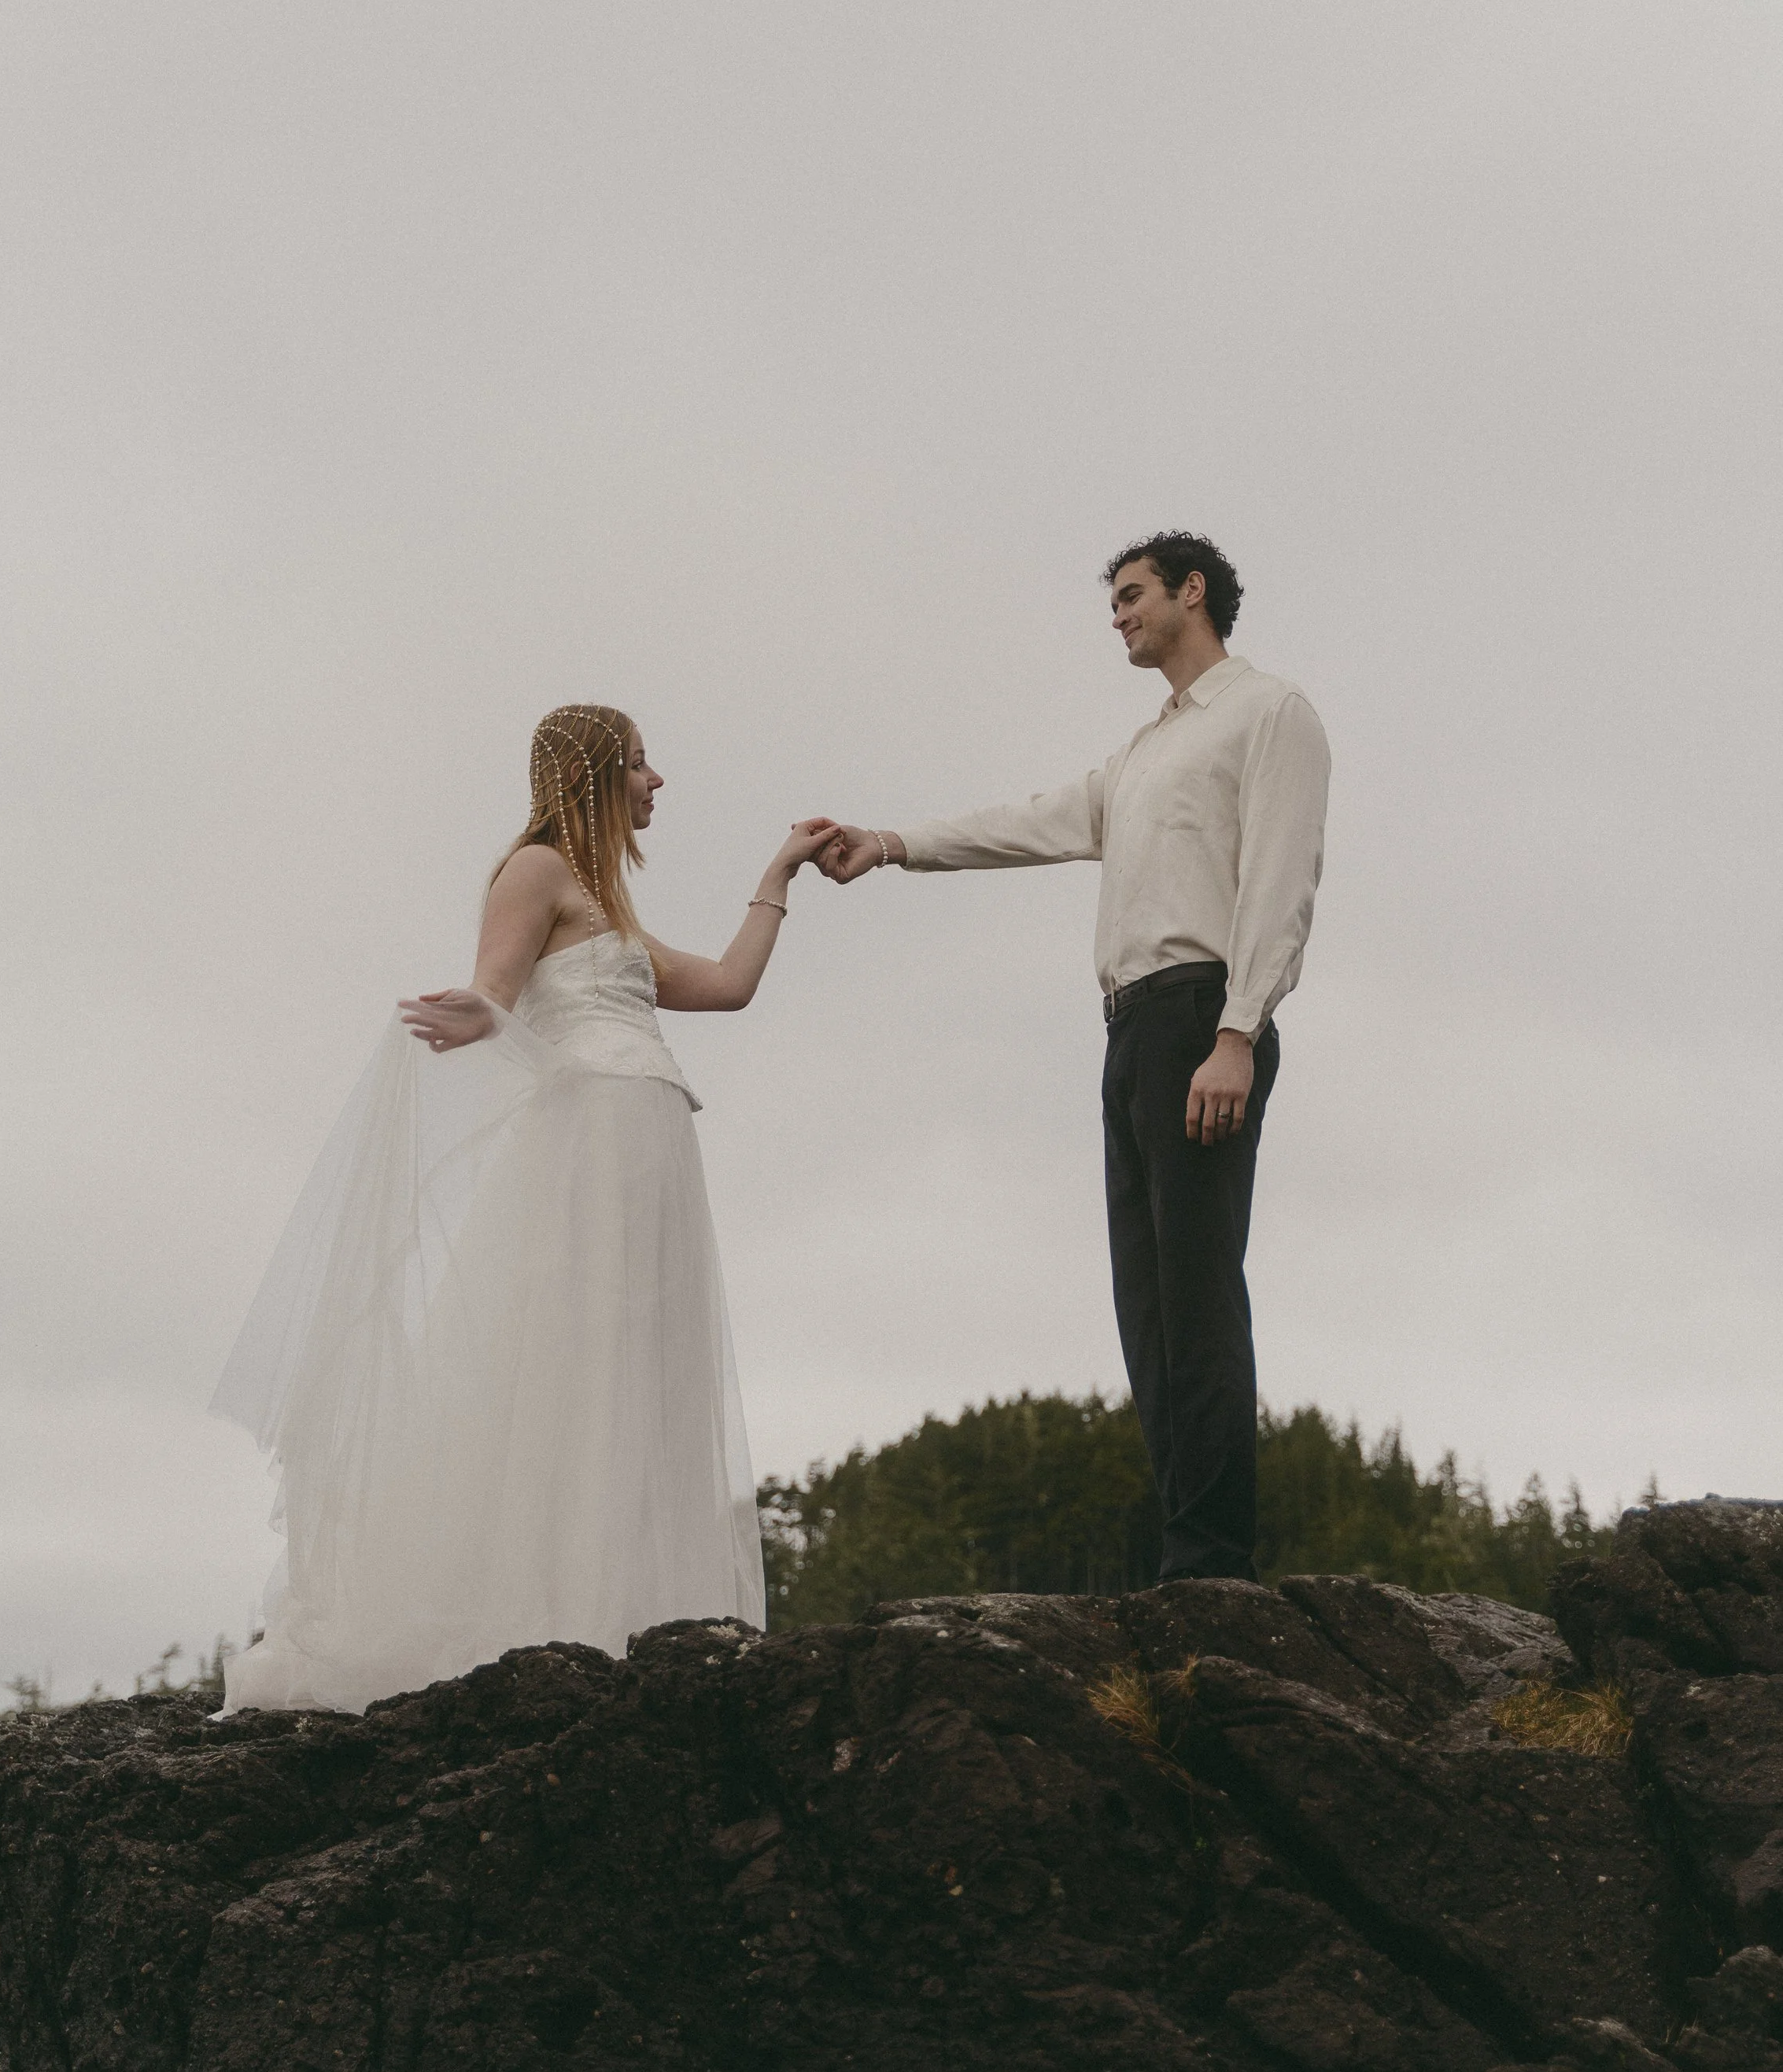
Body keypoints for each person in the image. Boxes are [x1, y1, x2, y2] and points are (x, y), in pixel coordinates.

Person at [213, 704, 837, 1713]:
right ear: (598, 774)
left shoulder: (611, 906)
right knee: (574, 1365)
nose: (657, 782)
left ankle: (626, 1619)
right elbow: (495, 989)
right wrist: (479, 1013)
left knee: (640, 1371)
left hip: (648, 1144)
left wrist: (777, 877)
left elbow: (726, 986)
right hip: (587, 1139)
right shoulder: (537, 869)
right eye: (642, 763)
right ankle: (555, 1626)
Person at [818, 533, 1329, 1584]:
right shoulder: (1143, 753)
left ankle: (1212, 1562)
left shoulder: (1269, 712)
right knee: (1145, 1309)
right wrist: (891, 842)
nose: (1118, 615)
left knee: (1196, 1293)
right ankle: (1183, 1552)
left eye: (1133, 595)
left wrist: (1239, 1033)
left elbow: (1281, 877)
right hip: (1130, 1030)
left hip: (1202, 1020)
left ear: (1194, 591)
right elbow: (1033, 821)